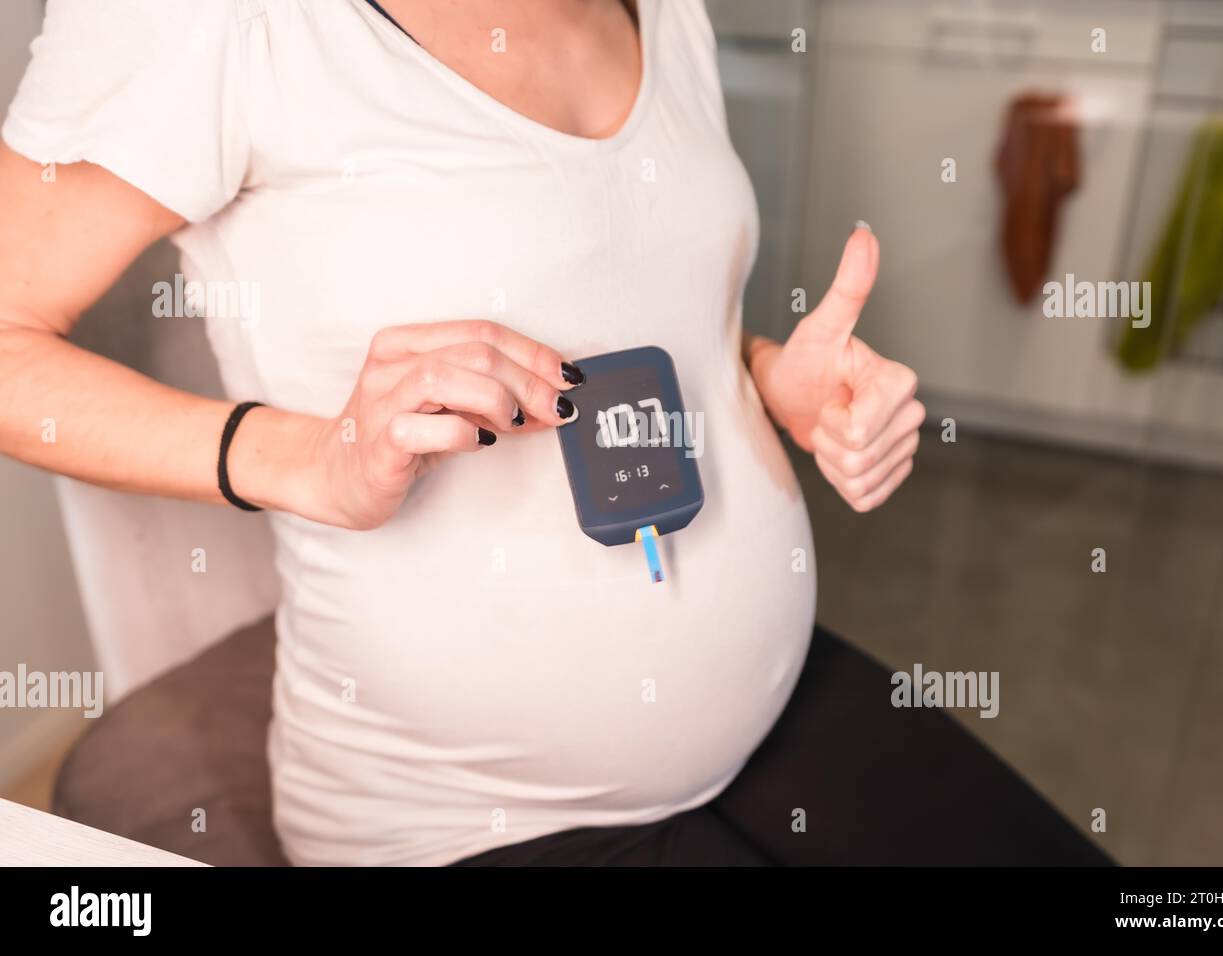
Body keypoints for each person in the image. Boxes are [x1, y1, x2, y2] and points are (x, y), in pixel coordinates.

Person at [0, 0, 1107, 866]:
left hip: (777, 704)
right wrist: (305, 460)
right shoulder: (210, 19)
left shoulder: (662, 9)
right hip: (466, 812)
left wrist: (771, 382)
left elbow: (654, 309)